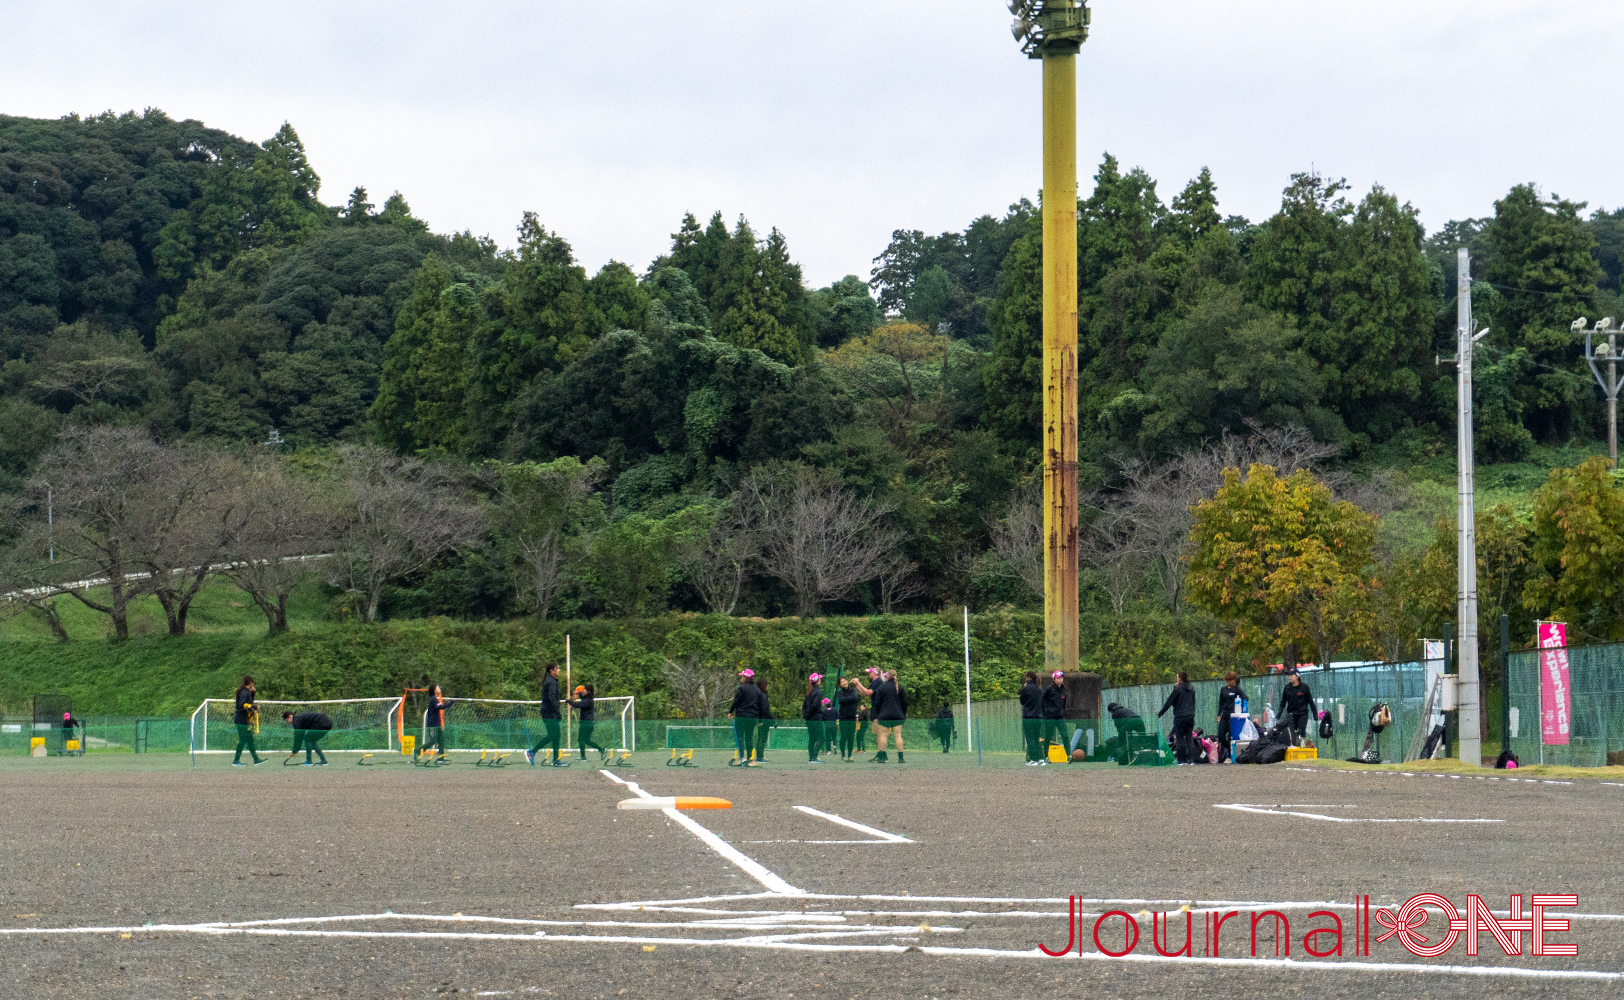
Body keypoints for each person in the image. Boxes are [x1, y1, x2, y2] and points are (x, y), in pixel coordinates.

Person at [527, 663, 568, 767]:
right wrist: (557, 712)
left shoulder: (550, 680)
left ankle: (556, 760)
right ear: (551, 670)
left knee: (557, 735)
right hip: (549, 713)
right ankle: (532, 751)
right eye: (557, 668)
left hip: (549, 712)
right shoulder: (551, 682)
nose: (559, 670)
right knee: (552, 735)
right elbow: (551, 698)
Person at [866, 670, 909, 763]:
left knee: (883, 735)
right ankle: (901, 758)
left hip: (884, 715)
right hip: (898, 715)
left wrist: (878, 713)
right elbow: (905, 703)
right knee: (898, 736)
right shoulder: (900, 687)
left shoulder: (882, 687)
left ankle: (882, 757)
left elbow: (877, 704)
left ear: (887, 676)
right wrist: (902, 713)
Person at [1157, 672, 1197, 764]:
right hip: (1190, 716)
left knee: (1180, 739)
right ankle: (1191, 760)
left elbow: (1170, 701)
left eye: (1177, 677)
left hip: (1180, 717)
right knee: (1189, 738)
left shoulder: (1178, 689)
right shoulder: (1192, 689)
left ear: (1180, 678)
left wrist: (1160, 713)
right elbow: (1193, 702)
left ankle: (1182, 760)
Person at [727, 669, 761, 767]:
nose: (741, 678)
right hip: (753, 717)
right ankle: (751, 759)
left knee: (740, 737)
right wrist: (759, 717)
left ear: (745, 677)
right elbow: (760, 704)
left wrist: (730, 711)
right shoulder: (757, 689)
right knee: (749, 737)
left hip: (741, 716)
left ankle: (741, 758)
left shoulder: (741, 688)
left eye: (742, 676)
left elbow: (736, 701)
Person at [567, 683, 608, 761]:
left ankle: (583, 757)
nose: (583, 690)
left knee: (581, 739)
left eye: (585, 689)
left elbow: (579, 705)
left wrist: (569, 701)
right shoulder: (586, 698)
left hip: (586, 723)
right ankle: (601, 750)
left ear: (588, 691)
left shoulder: (588, 701)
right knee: (587, 740)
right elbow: (582, 697)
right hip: (587, 722)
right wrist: (577, 692)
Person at [232, 675, 266, 766]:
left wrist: (253, 693)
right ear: (250, 683)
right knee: (243, 740)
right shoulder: (244, 692)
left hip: (245, 720)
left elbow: (249, 704)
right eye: (253, 683)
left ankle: (256, 759)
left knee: (250, 740)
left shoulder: (247, 692)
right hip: (241, 720)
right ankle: (236, 761)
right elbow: (242, 705)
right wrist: (255, 707)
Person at [1278, 670, 1315, 745]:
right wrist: (1279, 714)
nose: (1290, 677)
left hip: (1302, 713)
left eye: (1292, 675)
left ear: (1297, 676)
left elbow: (1310, 701)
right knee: (1291, 733)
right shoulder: (1287, 688)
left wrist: (1315, 714)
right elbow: (1283, 702)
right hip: (1291, 714)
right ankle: (1294, 747)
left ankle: (1303, 745)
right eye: (1289, 675)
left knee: (1302, 731)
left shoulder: (1304, 687)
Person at [1216, 672, 1246, 763]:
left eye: (1230, 680)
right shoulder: (1223, 689)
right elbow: (1221, 702)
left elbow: (1245, 697)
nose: (1229, 682)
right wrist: (1219, 714)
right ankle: (1229, 749)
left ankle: (1230, 756)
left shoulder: (1237, 689)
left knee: (1230, 736)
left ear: (1234, 680)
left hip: (1233, 716)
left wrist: (1240, 708)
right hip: (1225, 714)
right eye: (1227, 680)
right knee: (1221, 735)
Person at [418, 684, 453, 762]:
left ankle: (441, 756)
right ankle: (417, 751)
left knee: (442, 739)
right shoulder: (433, 699)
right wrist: (451, 703)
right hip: (432, 724)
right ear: (434, 690)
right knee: (433, 741)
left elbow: (440, 706)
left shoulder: (435, 699)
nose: (439, 688)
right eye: (437, 687)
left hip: (437, 724)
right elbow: (441, 707)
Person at [1019, 671, 1045, 765]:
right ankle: (1041, 759)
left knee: (1030, 739)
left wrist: (1023, 689)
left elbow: (1022, 701)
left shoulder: (1027, 688)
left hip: (1028, 717)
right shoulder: (1040, 688)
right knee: (1037, 738)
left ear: (1028, 677)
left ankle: (1034, 760)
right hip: (1038, 717)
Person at [1041, 671, 1068, 759]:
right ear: (1054, 679)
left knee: (1065, 736)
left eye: (1061, 678)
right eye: (1058, 678)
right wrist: (1046, 712)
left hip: (1060, 717)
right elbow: (1042, 700)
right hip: (1050, 717)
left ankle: (1069, 755)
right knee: (1048, 736)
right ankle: (1046, 756)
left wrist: (1062, 712)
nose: (1060, 680)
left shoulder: (1063, 689)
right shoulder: (1049, 689)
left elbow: (1063, 703)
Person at [801, 674, 826, 764]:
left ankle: (811, 757)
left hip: (809, 719)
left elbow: (804, 706)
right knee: (821, 738)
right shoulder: (819, 692)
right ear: (817, 681)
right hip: (816, 718)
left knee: (812, 738)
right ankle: (814, 757)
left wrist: (806, 715)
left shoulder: (808, 692)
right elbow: (815, 705)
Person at [835, 677, 860, 762]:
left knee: (851, 737)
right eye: (842, 682)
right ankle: (843, 755)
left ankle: (850, 755)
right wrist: (851, 699)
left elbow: (856, 697)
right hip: (843, 718)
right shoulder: (839, 693)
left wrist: (847, 700)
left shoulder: (853, 690)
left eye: (845, 680)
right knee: (844, 737)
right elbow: (842, 700)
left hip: (852, 718)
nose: (844, 682)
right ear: (839, 685)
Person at [754, 676, 774, 763]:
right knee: (762, 738)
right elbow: (765, 709)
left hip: (760, 719)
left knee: (760, 738)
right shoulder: (763, 695)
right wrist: (772, 719)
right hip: (764, 720)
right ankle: (760, 757)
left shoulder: (758, 694)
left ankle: (759, 756)